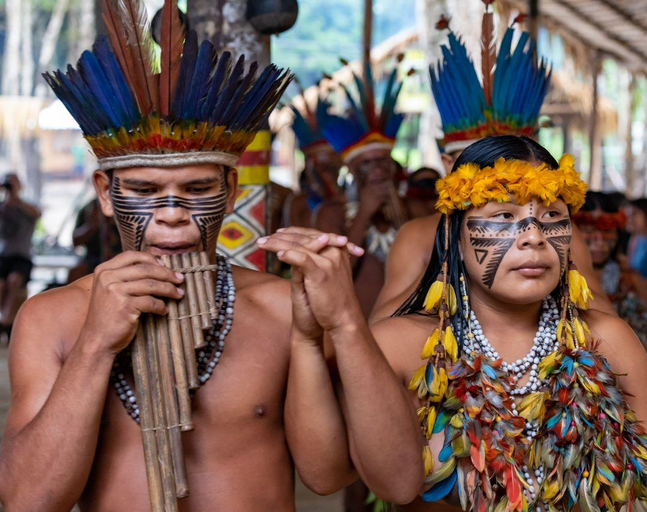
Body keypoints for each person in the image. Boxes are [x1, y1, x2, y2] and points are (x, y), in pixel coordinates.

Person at [0, 4, 423, 509]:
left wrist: (325, 333)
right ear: (106, 194)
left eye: (197, 188)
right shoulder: (52, 320)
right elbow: (27, 499)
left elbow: (328, 475)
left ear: (229, 188)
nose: (173, 214)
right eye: (144, 189)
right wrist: (94, 344)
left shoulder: (280, 309)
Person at [368, 136, 647, 510]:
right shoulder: (400, 346)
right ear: (455, 234)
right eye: (504, 215)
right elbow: (336, 475)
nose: (534, 236)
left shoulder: (606, 341)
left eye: (551, 216)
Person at [370, 6, 611, 323]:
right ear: (448, 166)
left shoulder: (555, 234)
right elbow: (383, 327)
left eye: (512, 164)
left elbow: (601, 321)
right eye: (477, 166)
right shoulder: (418, 236)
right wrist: (450, 260)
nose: (499, 180)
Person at [573, 191, 647, 436]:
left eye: (607, 231)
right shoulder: (551, 281)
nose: (599, 240)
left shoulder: (629, 280)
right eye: (590, 230)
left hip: (625, 399)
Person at [315, 61, 411, 317]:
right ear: (352, 169)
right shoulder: (331, 213)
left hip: (404, 330)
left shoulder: (414, 208)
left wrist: (400, 212)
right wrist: (364, 213)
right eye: (367, 163)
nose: (377, 169)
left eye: (382, 161)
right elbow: (334, 275)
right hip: (355, 328)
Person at [284, 89, 342, 229]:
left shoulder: (349, 196)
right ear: (308, 166)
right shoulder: (299, 202)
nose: (327, 170)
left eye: (331, 164)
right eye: (321, 165)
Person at [0, 173, 41, 334]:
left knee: (14, 280)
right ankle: (4, 319)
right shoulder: (2, 207)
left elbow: (37, 214)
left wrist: (16, 197)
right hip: (4, 255)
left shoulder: (26, 207)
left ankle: (7, 321)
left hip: (22, 256)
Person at [67, 198, 123, 283]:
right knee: (77, 272)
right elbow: (76, 241)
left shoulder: (126, 210)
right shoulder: (88, 209)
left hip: (121, 257)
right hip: (94, 259)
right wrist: (92, 224)